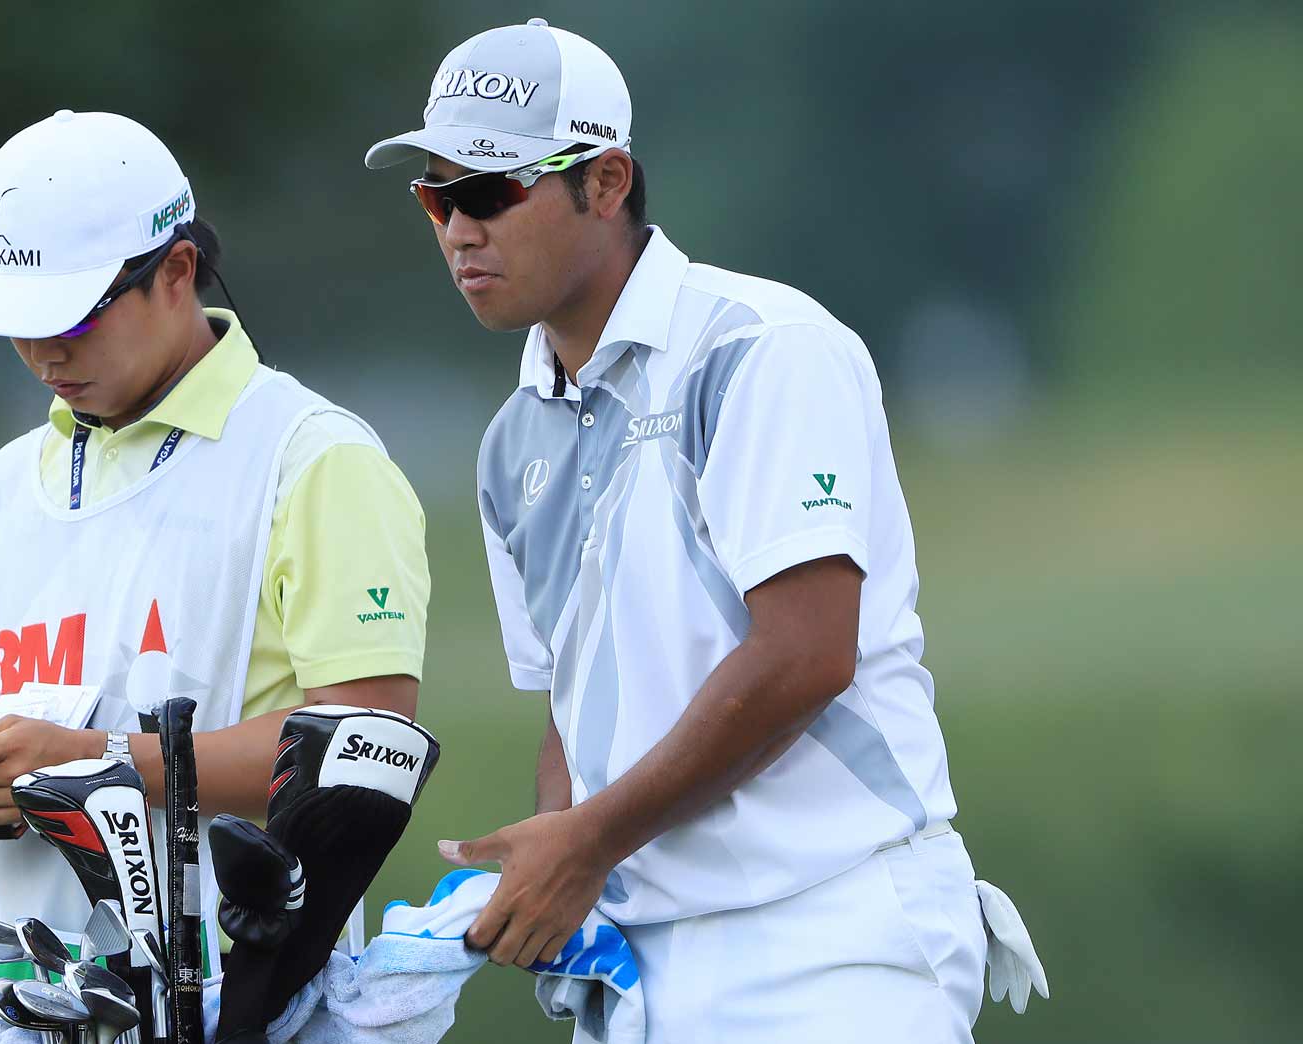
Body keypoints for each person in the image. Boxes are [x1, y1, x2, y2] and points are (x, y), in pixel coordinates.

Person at [363, 19, 1043, 1042]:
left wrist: (585, 844)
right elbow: (573, 704)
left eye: (488, 193)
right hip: (646, 968)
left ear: (606, 183)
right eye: (435, 197)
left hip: (831, 941)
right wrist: (556, 857)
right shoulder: (511, 441)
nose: (458, 229)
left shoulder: (762, 352)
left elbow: (805, 654)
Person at [0, 110, 430, 984]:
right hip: (20, 992)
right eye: (20, 320)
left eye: (75, 318)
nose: (44, 351)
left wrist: (98, 762)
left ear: (177, 271)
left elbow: (368, 751)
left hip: (248, 992)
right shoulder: (2, 488)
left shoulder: (314, 458)